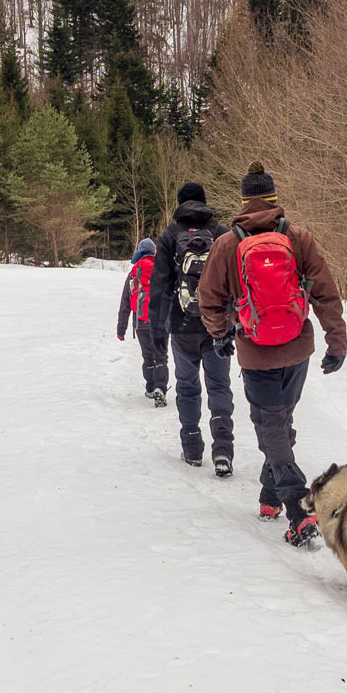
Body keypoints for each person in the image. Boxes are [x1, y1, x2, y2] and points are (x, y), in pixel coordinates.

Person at [199, 163, 347, 548]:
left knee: (271, 426)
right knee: (279, 423)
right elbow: (324, 292)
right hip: (297, 347)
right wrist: (337, 341)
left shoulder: (227, 245)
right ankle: (269, 499)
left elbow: (210, 299)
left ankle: (299, 511)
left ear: (244, 201)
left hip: (255, 350)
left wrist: (220, 336)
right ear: (275, 198)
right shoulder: (298, 238)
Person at [149, 182, 235, 475]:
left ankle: (192, 448)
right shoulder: (223, 234)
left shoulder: (170, 235)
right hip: (217, 327)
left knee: (187, 386)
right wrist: (231, 324)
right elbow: (234, 285)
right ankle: (223, 450)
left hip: (181, 325)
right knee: (220, 386)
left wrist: (157, 331)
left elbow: (159, 286)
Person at [117, 237, 168, 406]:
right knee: (161, 357)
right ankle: (161, 388)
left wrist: (121, 328)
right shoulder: (162, 269)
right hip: (161, 321)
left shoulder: (134, 273)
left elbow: (125, 303)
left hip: (141, 322)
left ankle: (151, 387)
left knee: (148, 356)